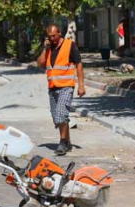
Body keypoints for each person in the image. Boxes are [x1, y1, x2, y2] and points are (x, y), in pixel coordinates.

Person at [37, 24, 86, 156]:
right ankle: (68, 142)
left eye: (54, 35)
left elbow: (79, 65)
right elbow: (40, 63)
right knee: (57, 117)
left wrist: (81, 85)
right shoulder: (48, 48)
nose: (52, 38)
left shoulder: (70, 45)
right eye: (49, 36)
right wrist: (44, 48)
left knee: (60, 114)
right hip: (52, 87)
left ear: (60, 33)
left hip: (66, 86)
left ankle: (63, 143)